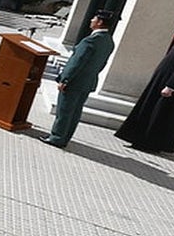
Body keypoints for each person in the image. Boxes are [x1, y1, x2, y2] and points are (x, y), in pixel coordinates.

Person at [115, 10, 174, 154]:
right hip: (161, 80)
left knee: (158, 113)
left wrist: (171, 86)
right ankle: (138, 139)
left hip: (169, 84)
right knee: (149, 108)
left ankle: (149, 144)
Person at [41, 10, 117, 148]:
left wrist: (65, 79)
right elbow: (102, 64)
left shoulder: (90, 41)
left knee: (64, 110)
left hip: (75, 81)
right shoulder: (108, 41)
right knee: (75, 111)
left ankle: (56, 137)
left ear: (100, 22)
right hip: (88, 81)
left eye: (94, 18)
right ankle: (65, 137)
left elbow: (76, 62)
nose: (91, 20)